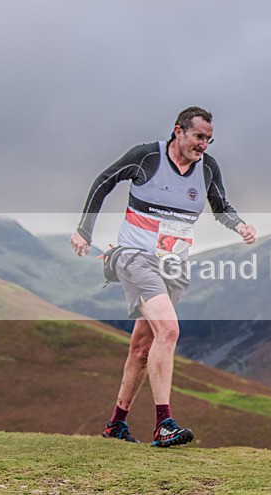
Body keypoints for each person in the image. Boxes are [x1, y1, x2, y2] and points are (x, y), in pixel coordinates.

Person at [70, 106, 256, 447]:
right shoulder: (147, 158)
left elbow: (221, 206)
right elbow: (104, 181)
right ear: (179, 131)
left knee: (143, 346)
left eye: (209, 140)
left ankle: (115, 426)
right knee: (169, 330)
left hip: (173, 266)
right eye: (199, 137)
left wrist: (239, 224)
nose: (203, 145)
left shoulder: (207, 168)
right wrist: (84, 229)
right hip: (135, 258)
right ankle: (163, 423)